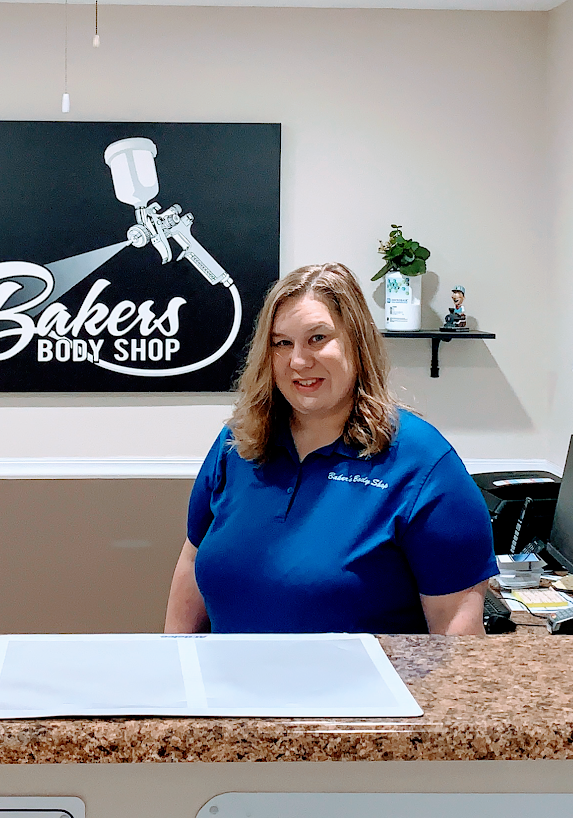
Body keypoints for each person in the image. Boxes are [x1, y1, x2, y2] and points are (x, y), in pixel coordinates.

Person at [163, 262, 497, 634]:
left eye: (318, 338)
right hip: (227, 674)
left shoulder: (423, 464)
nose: (299, 361)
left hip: (369, 675)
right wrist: (175, 663)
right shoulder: (238, 444)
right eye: (282, 343)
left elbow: (456, 637)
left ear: (357, 342)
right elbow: (192, 562)